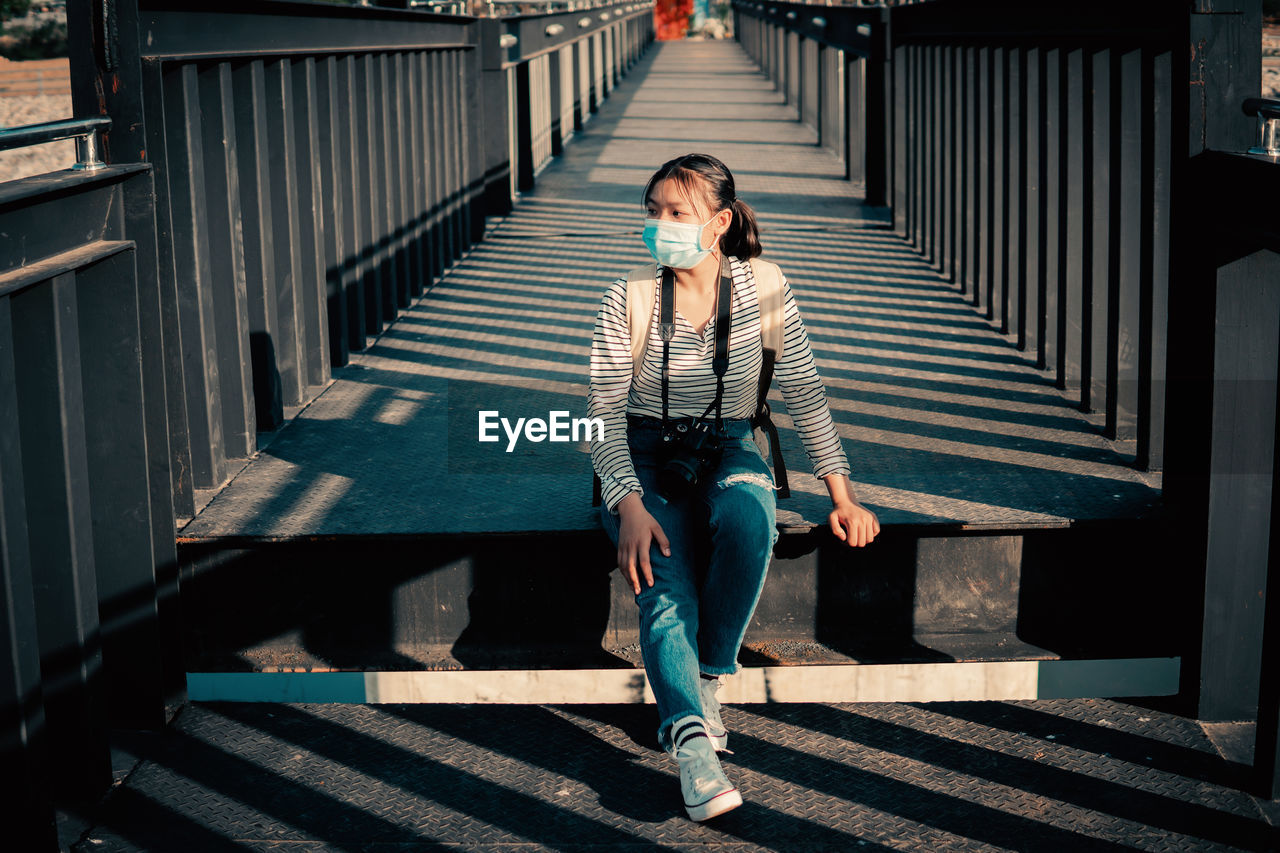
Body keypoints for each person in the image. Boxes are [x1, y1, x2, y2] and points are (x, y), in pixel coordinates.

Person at [587, 153, 879, 821]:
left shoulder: (765, 286)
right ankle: (690, 741)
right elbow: (599, 412)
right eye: (652, 211)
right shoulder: (628, 296)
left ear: (717, 223)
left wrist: (842, 494)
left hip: (727, 442)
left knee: (752, 518)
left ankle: (710, 676)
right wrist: (626, 503)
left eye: (676, 213)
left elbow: (805, 391)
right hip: (640, 448)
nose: (659, 224)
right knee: (662, 584)